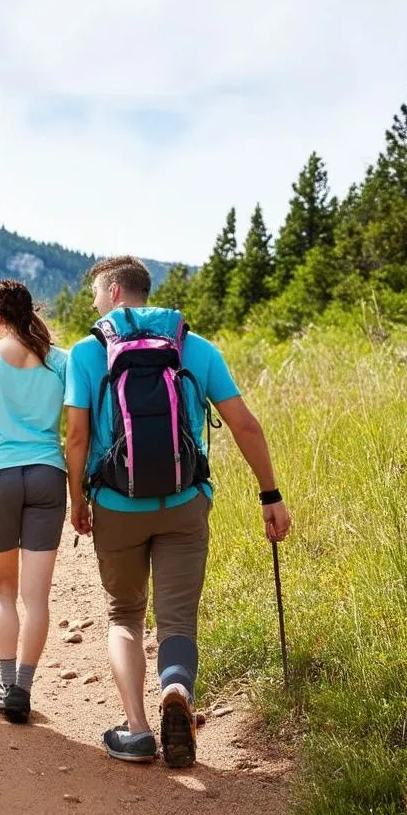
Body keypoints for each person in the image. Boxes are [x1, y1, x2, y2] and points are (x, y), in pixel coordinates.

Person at [64, 256, 292, 767]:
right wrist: (270, 495)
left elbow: (77, 436)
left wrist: (77, 499)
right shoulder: (197, 347)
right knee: (178, 622)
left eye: (97, 295)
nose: (95, 305)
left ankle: (138, 729)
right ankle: (178, 692)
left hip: (117, 503)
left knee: (124, 614)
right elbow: (245, 426)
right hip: (185, 502)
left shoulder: (85, 353)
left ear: (116, 292)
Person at [0, 280, 68, 724]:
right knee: (36, 596)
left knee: (3, 589)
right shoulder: (60, 360)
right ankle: (23, 686)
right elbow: (76, 428)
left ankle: (6, 684)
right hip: (48, 473)